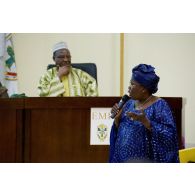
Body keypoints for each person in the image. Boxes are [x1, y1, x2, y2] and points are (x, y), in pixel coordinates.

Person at [109, 64, 179, 163]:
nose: (129, 88)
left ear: (144, 88)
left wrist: (147, 123)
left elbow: (169, 136)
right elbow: (119, 133)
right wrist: (117, 119)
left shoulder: (160, 106)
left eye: (133, 84)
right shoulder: (128, 104)